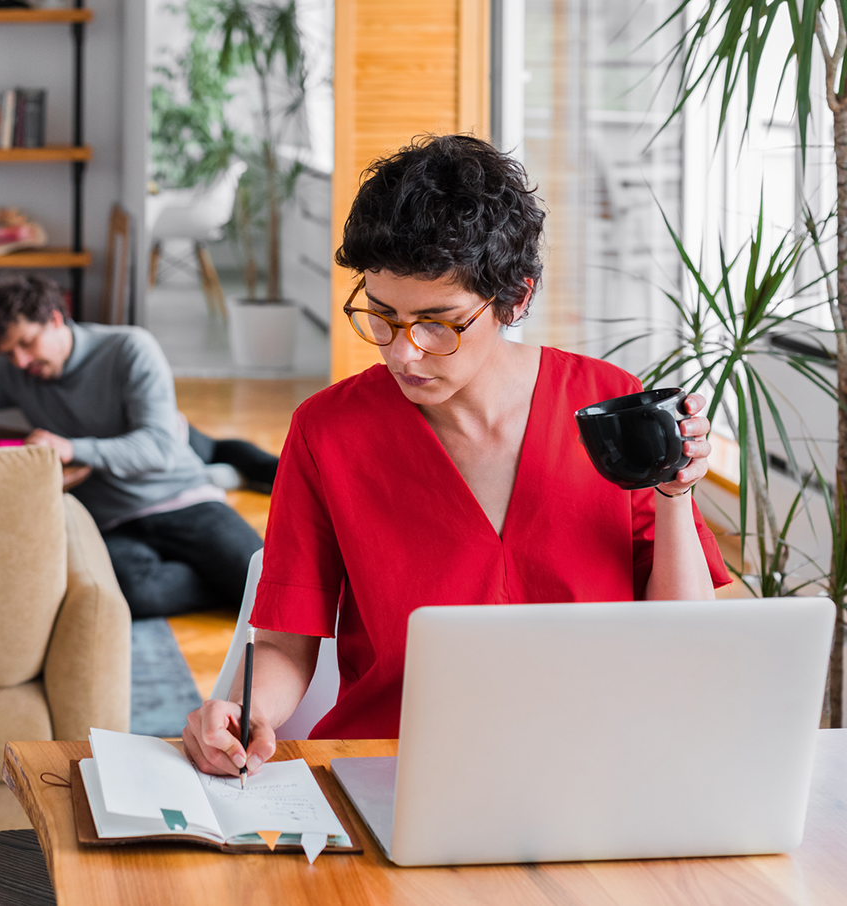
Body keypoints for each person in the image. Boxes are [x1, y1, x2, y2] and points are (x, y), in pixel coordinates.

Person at [184, 134, 731, 778]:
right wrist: (244, 711)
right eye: (381, 315)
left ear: (517, 299)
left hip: (594, 767)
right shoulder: (327, 433)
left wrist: (675, 495)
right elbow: (286, 642)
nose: (402, 352)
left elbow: (685, 641)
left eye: (438, 323)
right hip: (394, 771)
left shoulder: (611, 407)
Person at [0, 275, 266, 619]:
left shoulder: (130, 348)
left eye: (27, 343)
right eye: (8, 353)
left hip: (181, 497)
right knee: (136, 595)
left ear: (56, 320)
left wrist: (73, 450)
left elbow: (159, 449)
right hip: (112, 520)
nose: (20, 361)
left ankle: (232, 559)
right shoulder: (11, 371)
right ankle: (224, 584)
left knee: (264, 587)